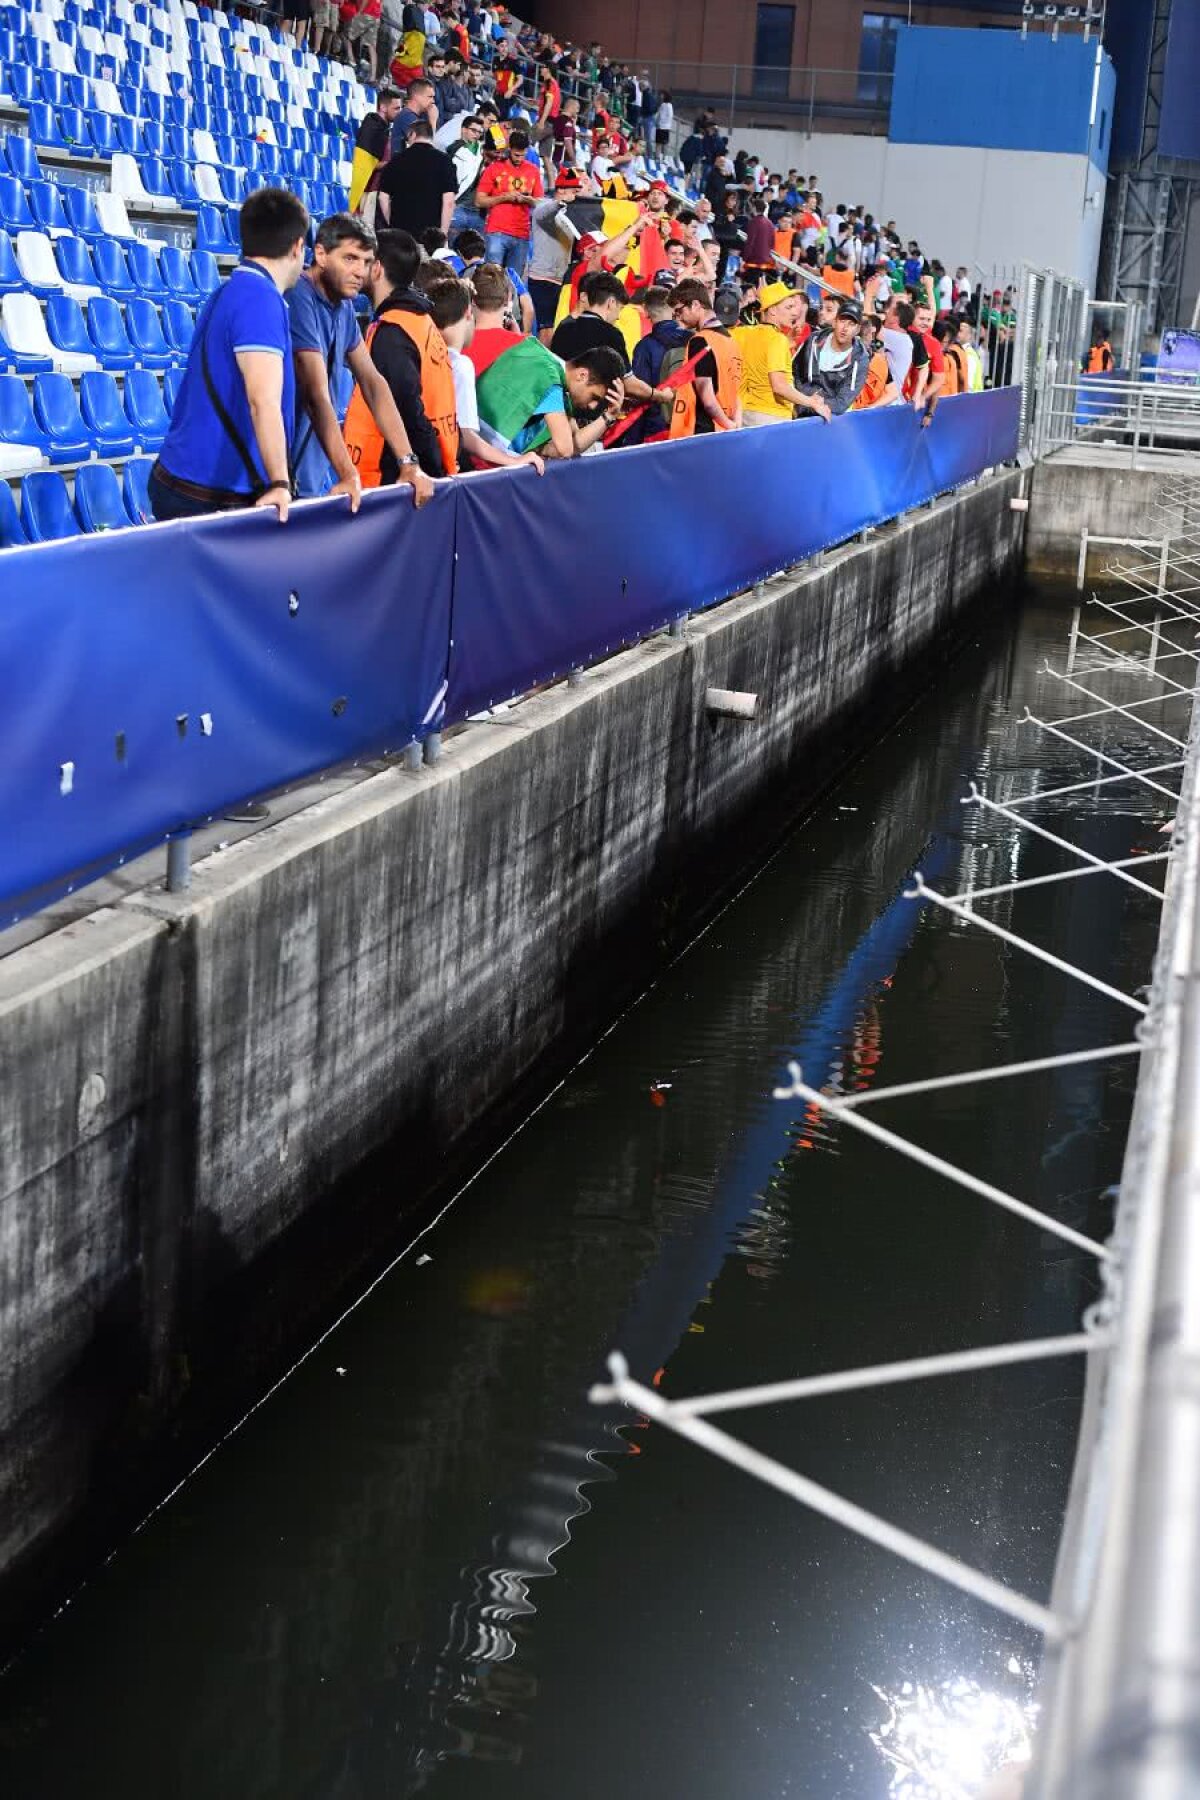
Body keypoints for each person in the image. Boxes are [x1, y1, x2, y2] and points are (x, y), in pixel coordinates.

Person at [149, 188, 310, 523]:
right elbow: (262, 400)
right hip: (207, 494)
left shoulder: (230, 290)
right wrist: (281, 483)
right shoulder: (260, 300)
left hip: (185, 482)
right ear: (298, 246)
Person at [287, 213, 434, 505]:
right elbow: (315, 396)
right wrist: (348, 474)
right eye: (350, 258)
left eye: (367, 262)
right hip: (278, 476)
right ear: (320, 254)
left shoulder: (341, 307)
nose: (360, 272)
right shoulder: (298, 296)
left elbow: (373, 381)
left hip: (307, 476)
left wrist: (408, 462)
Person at [344, 228, 453, 481]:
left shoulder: (393, 331)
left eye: (365, 261)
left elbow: (407, 408)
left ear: (377, 268)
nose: (358, 270)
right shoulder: (420, 319)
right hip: (427, 468)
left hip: (395, 477)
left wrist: (426, 468)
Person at [425, 275, 545, 472]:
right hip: (449, 468)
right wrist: (513, 460)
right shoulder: (460, 365)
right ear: (468, 313)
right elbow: (468, 439)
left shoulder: (424, 353)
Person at [475, 338, 626, 459]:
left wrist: (609, 416)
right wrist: (543, 450)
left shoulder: (536, 353)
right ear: (582, 375)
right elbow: (565, 449)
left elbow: (575, 444)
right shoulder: (550, 378)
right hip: (478, 459)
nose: (593, 406)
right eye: (595, 397)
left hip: (476, 448)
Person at [550, 270, 668, 407]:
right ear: (611, 303)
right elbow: (629, 385)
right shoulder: (611, 334)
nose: (618, 316)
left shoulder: (563, 328)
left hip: (559, 407)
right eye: (620, 308)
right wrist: (660, 395)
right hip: (592, 415)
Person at [731, 280, 830, 428]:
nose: (795, 312)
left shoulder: (744, 332)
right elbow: (779, 386)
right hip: (771, 418)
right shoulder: (777, 339)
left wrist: (789, 342)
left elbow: (760, 354)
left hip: (746, 414)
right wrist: (812, 402)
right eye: (789, 307)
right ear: (772, 310)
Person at [668, 277, 741, 435]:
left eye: (679, 311)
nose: (677, 318)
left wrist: (728, 425)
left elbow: (707, 400)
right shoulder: (731, 340)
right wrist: (734, 424)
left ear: (695, 305)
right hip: (726, 428)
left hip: (703, 431)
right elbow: (737, 392)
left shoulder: (700, 341)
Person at [476, 126, 543, 278]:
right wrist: (504, 197)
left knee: (514, 281)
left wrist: (526, 199)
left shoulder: (533, 171)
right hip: (497, 231)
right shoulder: (494, 168)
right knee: (491, 278)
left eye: (522, 155)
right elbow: (479, 201)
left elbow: (540, 203)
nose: (519, 158)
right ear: (509, 149)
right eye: (516, 155)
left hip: (522, 233)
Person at [377, 117, 457, 235]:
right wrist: (442, 234)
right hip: (431, 236)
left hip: (401, 235)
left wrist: (392, 224)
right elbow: (449, 201)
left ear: (412, 134)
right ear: (431, 136)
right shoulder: (445, 161)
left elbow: (383, 197)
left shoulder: (396, 160)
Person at [794, 298, 872, 414]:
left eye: (851, 324)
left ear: (857, 330)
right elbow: (794, 372)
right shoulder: (813, 340)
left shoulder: (860, 359)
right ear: (835, 322)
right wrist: (805, 399)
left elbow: (842, 402)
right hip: (797, 408)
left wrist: (813, 404)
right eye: (842, 321)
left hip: (826, 419)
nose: (845, 328)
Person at [350, 88, 403, 213]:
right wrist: (391, 164)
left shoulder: (381, 127)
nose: (400, 112)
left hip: (376, 189)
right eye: (396, 108)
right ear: (383, 107)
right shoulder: (372, 128)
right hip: (367, 190)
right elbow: (364, 165)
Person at [390, 76, 438, 153]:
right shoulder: (406, 116)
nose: (433, 101)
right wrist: (433, 120)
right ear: (417, 96)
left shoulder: (416, 115)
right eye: (430, 97)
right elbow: (426, 148)